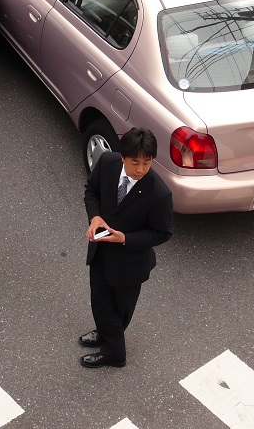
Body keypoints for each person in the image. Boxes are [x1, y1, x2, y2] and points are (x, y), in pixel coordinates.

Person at [79, 127, 173, 368]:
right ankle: (107, 335)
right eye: (134, 162)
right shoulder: (107, 163)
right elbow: (91, 192)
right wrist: (95, 217)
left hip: (130, 262)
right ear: (122, 157)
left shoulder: (159, 193)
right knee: (100, 300)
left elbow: (162, 233)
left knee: (121, 309)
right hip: (100, 250)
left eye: (146, 162)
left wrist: (125, 239)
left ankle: (114, 354)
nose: (140, 169)